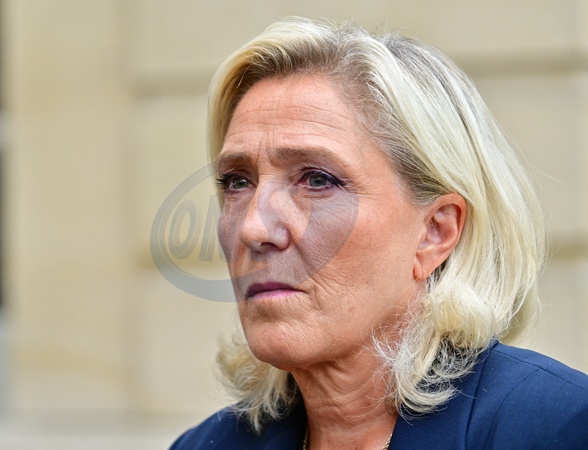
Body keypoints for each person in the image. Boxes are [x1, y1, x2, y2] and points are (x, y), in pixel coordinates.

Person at [171, 17, 588, 449]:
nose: (253, 228)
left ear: (435, 232)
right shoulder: (205, 445)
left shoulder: (555, 429)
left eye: (317, 180)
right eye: (238, 182)